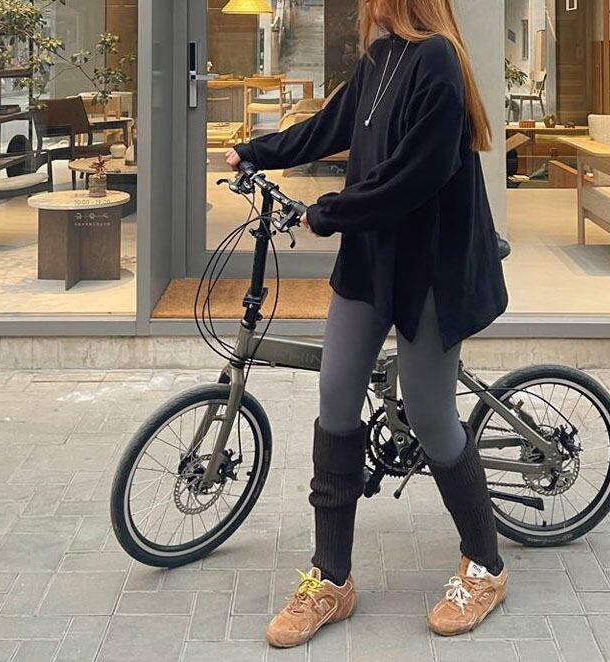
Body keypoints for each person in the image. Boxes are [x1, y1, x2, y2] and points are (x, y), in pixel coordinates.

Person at [226, 0, 509, 648]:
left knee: (432, 418)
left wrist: (328, 212)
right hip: (372, 258)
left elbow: (413, 178)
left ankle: (486, 567)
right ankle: (331, 579)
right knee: (335, 399)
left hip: (430, 266)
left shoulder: (438, 62)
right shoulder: (380, 58)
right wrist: (255, 151)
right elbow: (328, 127)